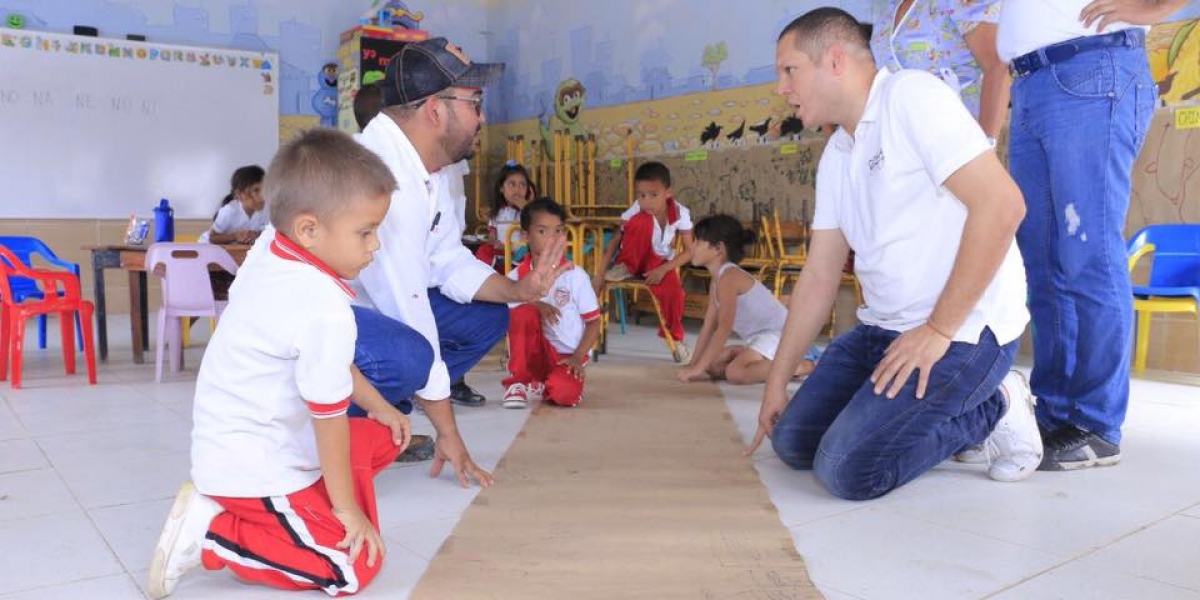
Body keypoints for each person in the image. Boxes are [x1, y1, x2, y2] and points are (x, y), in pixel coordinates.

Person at [748, 8, 1042, 500]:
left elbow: (1003, 205)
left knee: (846, 470)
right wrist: (775, 381)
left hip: (963, 333)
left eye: (789, 70)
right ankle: (906, 410)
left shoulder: (911, 97)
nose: (782, 87)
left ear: (835, 61)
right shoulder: (839, 154)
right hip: (884, 330)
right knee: (793, 442)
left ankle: (997, 404)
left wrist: (938, 329)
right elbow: (819, 278)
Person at [145, 129, 410, 598]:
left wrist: (381, 407)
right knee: (352, 571)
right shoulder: (321, 307)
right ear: (308, 229)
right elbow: (329, 417)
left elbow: (333, 369)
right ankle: (212, 535)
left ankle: (314, 507)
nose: (375, 246)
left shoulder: (273, 245)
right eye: (365, 232)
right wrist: (347, 511)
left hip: (251, 438)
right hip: (252, 466)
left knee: (385, 433)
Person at [353, 37, 568, 487]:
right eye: (475, 103)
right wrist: (448, 433)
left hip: (371, 317)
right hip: (328, 327)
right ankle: (350, 427)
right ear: (435, 110)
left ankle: (390, 408)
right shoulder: (379, 175)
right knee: (409, 349)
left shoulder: (433, 171)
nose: (483, 117)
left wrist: (518, 291)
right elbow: (408, 311)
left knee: (487, 316)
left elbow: (446, 258)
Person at [999, 0, 1187, 471]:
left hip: (1089, 68)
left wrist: (1156, 8)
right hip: (1030, 83)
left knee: (1089, 254)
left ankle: (1097, 424)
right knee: (1041, 263)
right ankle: (1057, 413)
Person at [677, 215, 816, 385]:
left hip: (781, 334)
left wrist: (697, 370)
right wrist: (694, 365)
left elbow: (723, 329)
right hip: (758, 337)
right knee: (713, 366)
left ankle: (805, 366)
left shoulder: (730, 276)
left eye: (698, 241)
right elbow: (709, 325)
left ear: (717, 248)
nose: (692, 246)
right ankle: (752, 355)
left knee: (736, 373)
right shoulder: (717, 279)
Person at [502, 198, 602, 409]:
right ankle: (518, 381)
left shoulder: (575, 275)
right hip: (535, 354)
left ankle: (549, 383)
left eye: (558, 230)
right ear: (525, 235)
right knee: (521, 310)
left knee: (564, 395)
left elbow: (593, 322)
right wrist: (537, 305)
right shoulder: (515, 277)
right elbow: (510, 318)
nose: (552, 238)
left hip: (567, 357)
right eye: (542, 231)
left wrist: (577, 357)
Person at [592, 161, 694, 363]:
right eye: (641, 195)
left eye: (653, 195)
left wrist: (664, 269)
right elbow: (614, 240)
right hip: (631, 260)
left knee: (676, 294)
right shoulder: (637, 210)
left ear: (668, 193)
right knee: (641, 220)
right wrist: (599, 275)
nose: (646, 201)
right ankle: (626, 267)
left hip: (659, 263)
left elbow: (691, 251)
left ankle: (675, 339)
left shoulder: (681, 213)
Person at [870, 0, 1009, 139]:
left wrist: (987, 143)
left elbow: (997, 66)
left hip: (961, 137)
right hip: (906, 141)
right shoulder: (888, 10)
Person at [475, 161, 535, 271]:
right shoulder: (496, 213)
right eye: (512, 184)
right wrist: (495, 244)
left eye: (523, 185)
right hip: (502, 254)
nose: (517, 189)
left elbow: (535, 228)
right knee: (483, 250)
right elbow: (492, 238)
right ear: (501, 188)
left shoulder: (528, 211)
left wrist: (526, 207)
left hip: (520, 254)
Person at [199, 165, 267, 245]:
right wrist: (234, 236)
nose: (263, 195)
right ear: (239, 194)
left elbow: (263, 232)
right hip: (208, 248)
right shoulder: (229, 211)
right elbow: (212, 238)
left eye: (265, 189)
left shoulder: (263, 210)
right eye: (256, 190)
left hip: (234, 249)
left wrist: (255, 234)